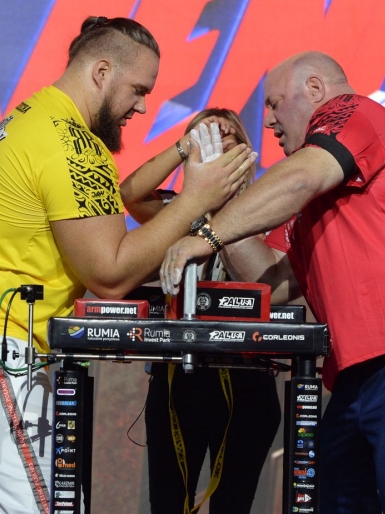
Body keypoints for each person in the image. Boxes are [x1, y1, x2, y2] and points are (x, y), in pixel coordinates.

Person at [0, 16, 256, 514]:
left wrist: (183, 151)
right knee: (51, 507)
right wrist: (195, 198)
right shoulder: (74, 145)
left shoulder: (28, 119)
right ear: (101, 71)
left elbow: (111, 208)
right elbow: (109, 274)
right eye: (138, 89)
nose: (143, 105)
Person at [159, 51, 385, 513]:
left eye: (276, 104)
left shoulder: (352, 114)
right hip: (361, 368)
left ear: (315, 90)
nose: (271, 122)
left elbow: (299, 177)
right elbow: (271, 282)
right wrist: (216, 203)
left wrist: (206, 237)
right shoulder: (314, 194)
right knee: (332, 501)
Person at [120, 108, 281, 514]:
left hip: (248, 381)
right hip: (179, 379)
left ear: (247, 155)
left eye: (228, 145)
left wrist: (224, 211)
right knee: (168, 504)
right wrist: (183, 147)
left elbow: (274, 285)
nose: (217, 153)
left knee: (233, 505)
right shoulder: (177, 214)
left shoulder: (274, 214)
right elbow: (130, 193)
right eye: (206, 145)